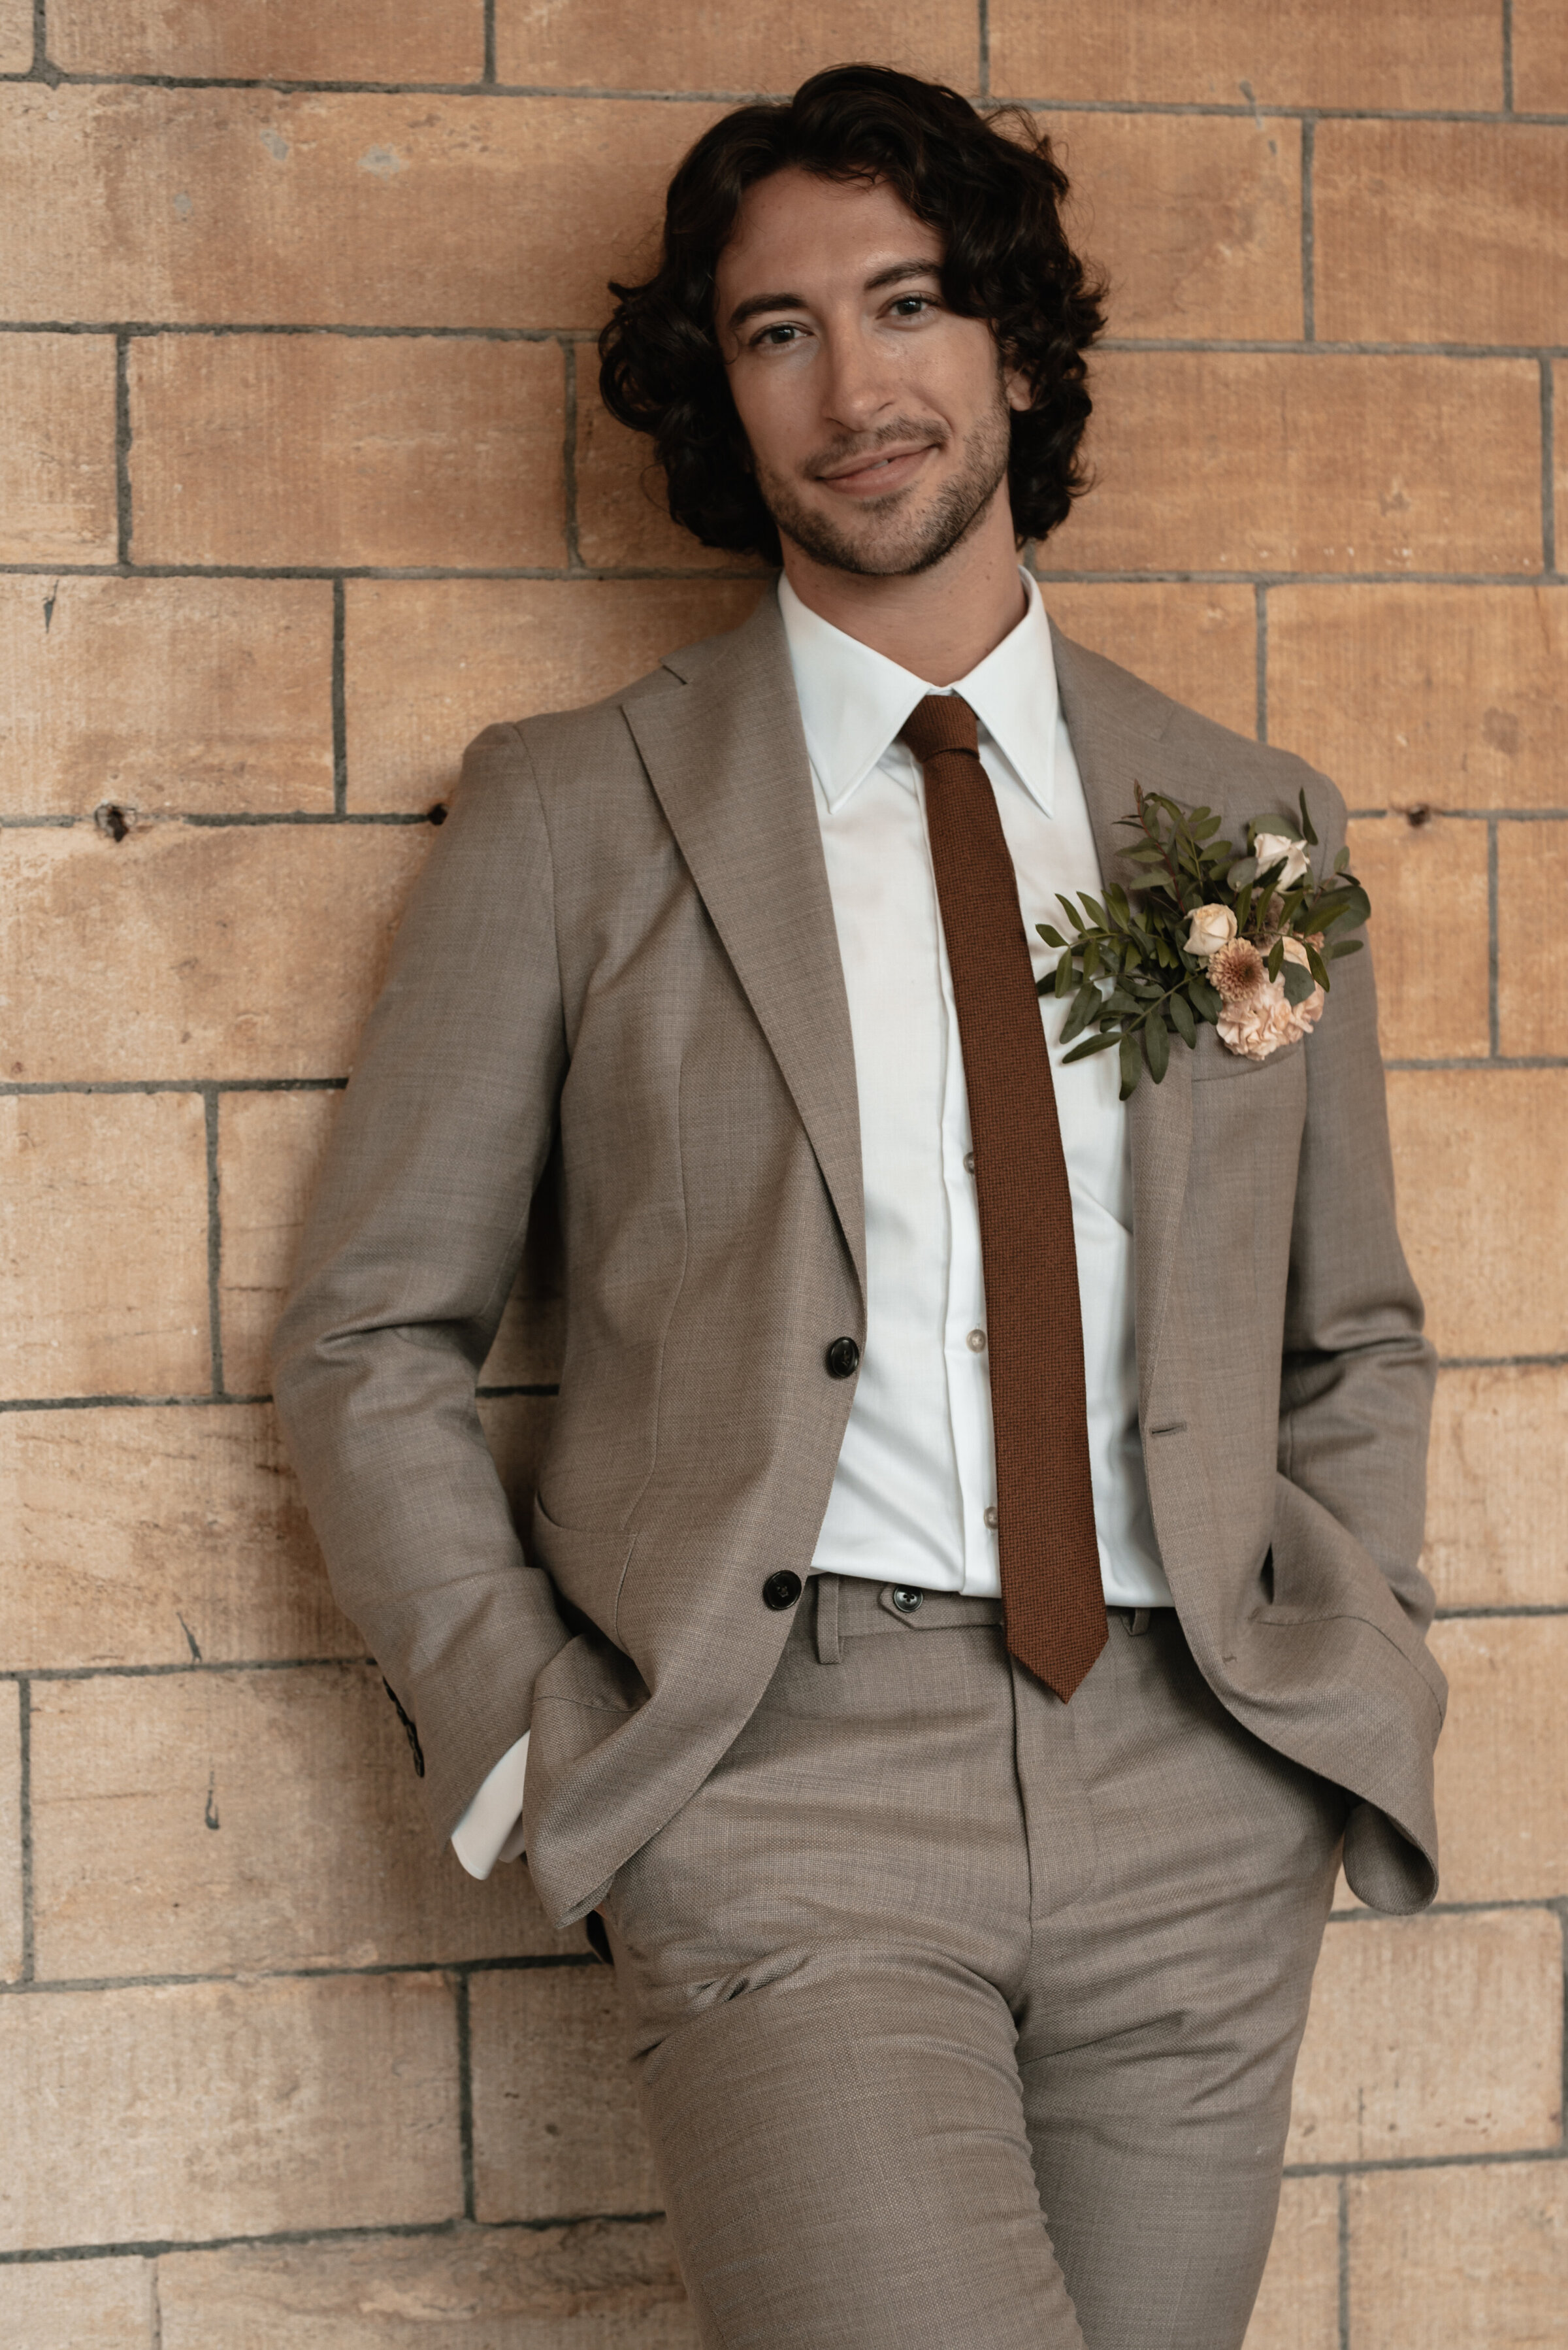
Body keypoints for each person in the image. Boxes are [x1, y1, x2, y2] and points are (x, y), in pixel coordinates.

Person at [272, 65, 1445, 2350]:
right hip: (787, 1785)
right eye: (776, 329)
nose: (856, 382)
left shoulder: (1248, 818)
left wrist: (1350, 1653)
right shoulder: (574, 817)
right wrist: (539, 1731)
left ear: (1011, 345)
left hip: (1204, 1788)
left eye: (907, 301)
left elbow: (1349, 1326)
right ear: (720, 400)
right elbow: (367, 1330)